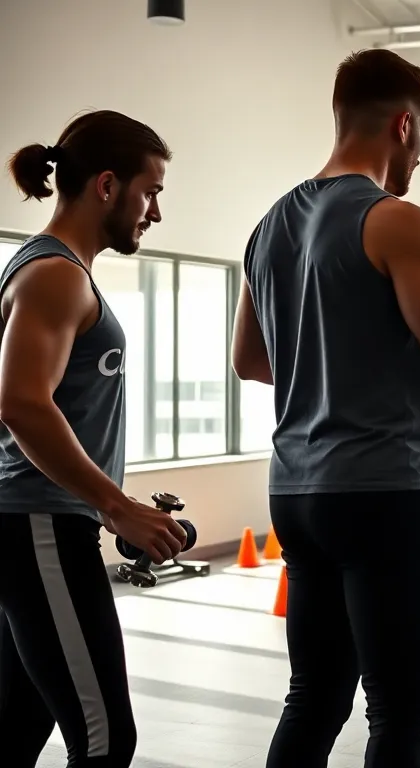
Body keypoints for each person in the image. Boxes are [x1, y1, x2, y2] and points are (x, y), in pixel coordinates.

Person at [230, 49, 420, 768]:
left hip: (296, 494)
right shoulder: (396, 220)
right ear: (403, 125)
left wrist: (339, 350)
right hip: (377, 494)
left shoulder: (269, 225)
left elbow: (251, 361)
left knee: (313, 697)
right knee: (402, 714)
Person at [0, 111, 187, 768]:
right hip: (41, 527)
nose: (156, 211)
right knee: (106, 740)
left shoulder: (54, 268)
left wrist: (114, 504)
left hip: (37, 525)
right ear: (108, 185)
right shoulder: (55, 275)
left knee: (17, 729)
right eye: (152, 190)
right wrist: (116, 506)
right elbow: (22, 402)